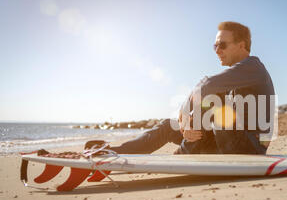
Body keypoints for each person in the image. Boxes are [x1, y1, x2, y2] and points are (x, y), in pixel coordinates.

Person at [88, 21, 276, 155]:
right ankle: (115, 152)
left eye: (222, 45)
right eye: (215, 45)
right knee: (169, 126)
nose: (217, 50)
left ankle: (185, 152)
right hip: (229, 143)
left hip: (250, 149)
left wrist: (188, 115)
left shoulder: (253, 67)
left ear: (241, 45)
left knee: (212, 98)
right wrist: (186, 119)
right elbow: (204, 88)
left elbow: (207, 86)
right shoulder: (237, 75)